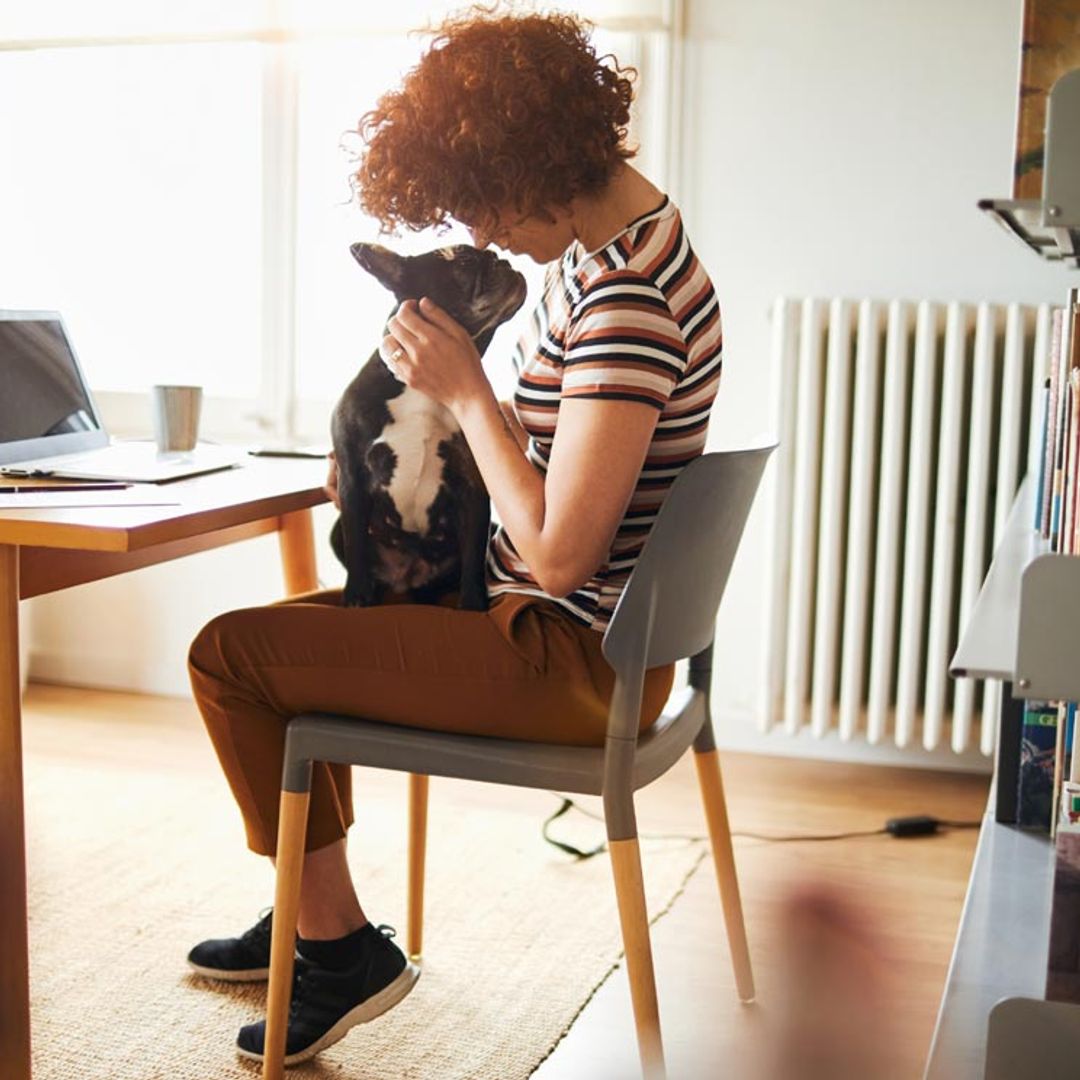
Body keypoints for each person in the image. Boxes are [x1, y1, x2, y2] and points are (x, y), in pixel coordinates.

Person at [185, 6, 723, 1066]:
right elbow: (556, 462)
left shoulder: (625, 302)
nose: (478, 235)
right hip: (561, 631)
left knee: (229, 657)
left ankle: (336, 949)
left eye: (477, 203)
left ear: (529, 161)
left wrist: (468, 393)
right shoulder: (621, 254)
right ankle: (312, 911)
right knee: (276, 643)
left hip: (563, 654)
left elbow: (563, 554)